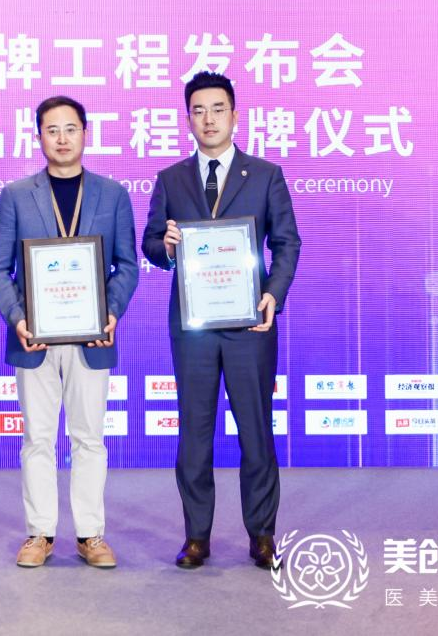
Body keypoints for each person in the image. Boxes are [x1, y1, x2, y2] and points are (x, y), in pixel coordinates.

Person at [141, 72, 301, 570]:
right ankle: (196, 537)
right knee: (194, 433)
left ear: (234, 115)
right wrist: (166, 247)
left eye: (217, 109)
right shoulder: (171, 179)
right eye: (198, 111)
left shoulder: (266, 174)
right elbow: (150, 243)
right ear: (188, 119)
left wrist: (273, 293)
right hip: (193, 328)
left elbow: (287, 242)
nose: (208, 119)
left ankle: (262, 536)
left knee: (256, 432)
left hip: (249, 325)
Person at [0, 96, 139, 569]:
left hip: (92, 337)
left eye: (70, 129)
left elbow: (127, 265)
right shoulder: (16, 195)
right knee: (37, 439)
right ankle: (40, 533)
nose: (62, 138)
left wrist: (110, 313)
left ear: (85, 134)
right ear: (39, 137)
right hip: (33, 337)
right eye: (52, 130)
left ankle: (91, 535)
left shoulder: (112, 195)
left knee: (89, 438)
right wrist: (18, 319)